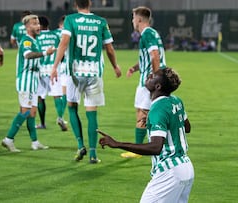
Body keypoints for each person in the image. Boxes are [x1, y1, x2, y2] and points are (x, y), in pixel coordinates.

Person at [98, 67, 194, 202]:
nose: (149, 76)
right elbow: (187, 127)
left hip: (170, 172)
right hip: (186, 168)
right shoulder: (176, 101)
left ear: (158, 86)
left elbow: (156, 147)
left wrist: (117, 144)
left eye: (153, 76)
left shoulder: (157, 109)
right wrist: (157, 120)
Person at [50, 0, 122, 163]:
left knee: (72, 107)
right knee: (92, 114)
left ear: (76, 4)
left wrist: (55, 66)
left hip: (74, 72)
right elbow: (109, 48)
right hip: (94, 73)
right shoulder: (101, 22)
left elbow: (64, 42)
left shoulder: (70, 19)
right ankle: (93, 154)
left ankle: (80, 145)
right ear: (90, 3)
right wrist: (115, 66)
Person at [1, 14, 55, 152]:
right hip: (26, 81)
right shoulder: (26, 40)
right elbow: (27, 55)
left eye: (38, 24)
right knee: (25, 112)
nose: (38, 26)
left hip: (33, 82)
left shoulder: (34, 40)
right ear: (26, 26)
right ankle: (8, 139)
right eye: (34, 24)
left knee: (32, 113)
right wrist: (45, 53)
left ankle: (35, 142)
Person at [121, 6, 166, 158]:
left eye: (133, 18)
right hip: (152, 79)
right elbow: (148, 57)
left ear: (139, 19)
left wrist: (155, 77)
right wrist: (134, 68)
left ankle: (139, 149)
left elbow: (154, 55)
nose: (133, 21)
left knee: (142, 113)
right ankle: (149, 145)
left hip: (149, 82)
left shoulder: (147, 34)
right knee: (148, 113)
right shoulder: (152, 33)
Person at [35, 16, 68, 131]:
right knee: (57, 96)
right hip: (54, 70)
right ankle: (60, 117)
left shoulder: (36, 37)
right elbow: (62, 49)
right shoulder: (55, 35)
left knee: (40, 97)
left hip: (40, 71)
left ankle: (42, 123)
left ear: (40, 25)